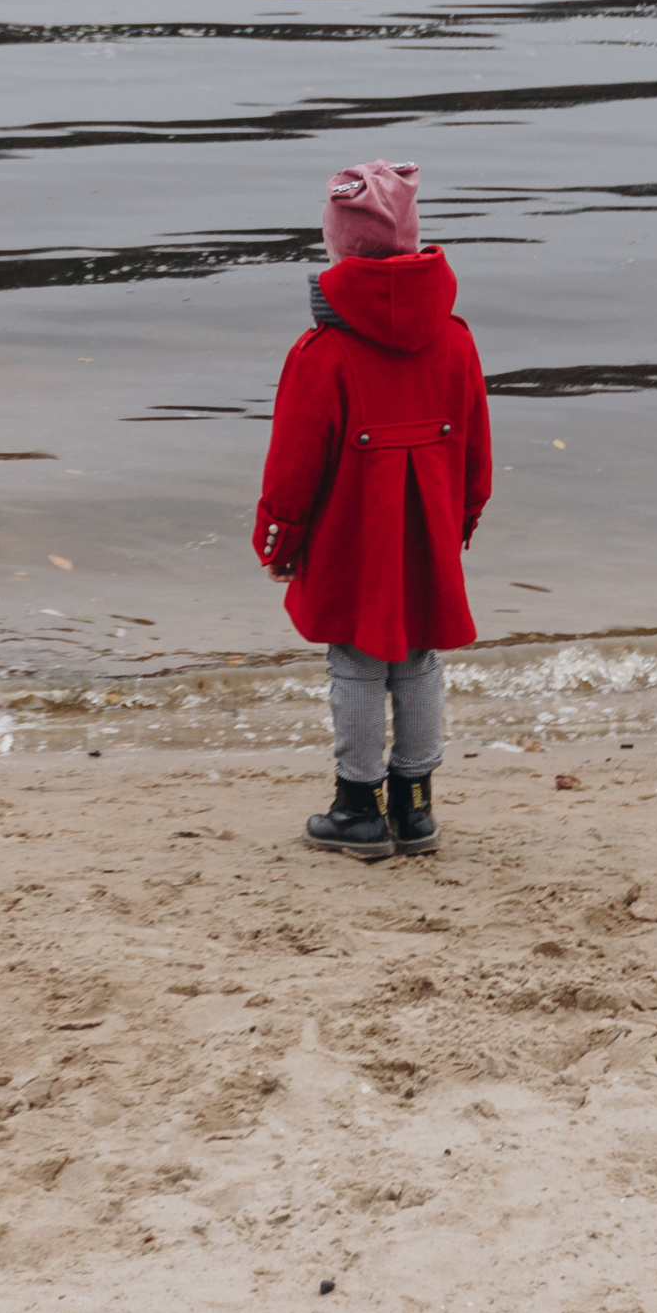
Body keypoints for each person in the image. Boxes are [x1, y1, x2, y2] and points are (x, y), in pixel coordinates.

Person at [252, 156, 492, 860]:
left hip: (350, 537)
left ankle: (357, 807)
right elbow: (476, 447)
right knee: (418, 658)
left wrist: (279, 542)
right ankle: (414, 807)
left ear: (337, 249)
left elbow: (294, 465)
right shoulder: (455, 339)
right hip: (429, 529)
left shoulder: (320, 352)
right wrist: (463, 517)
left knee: (356, 661)